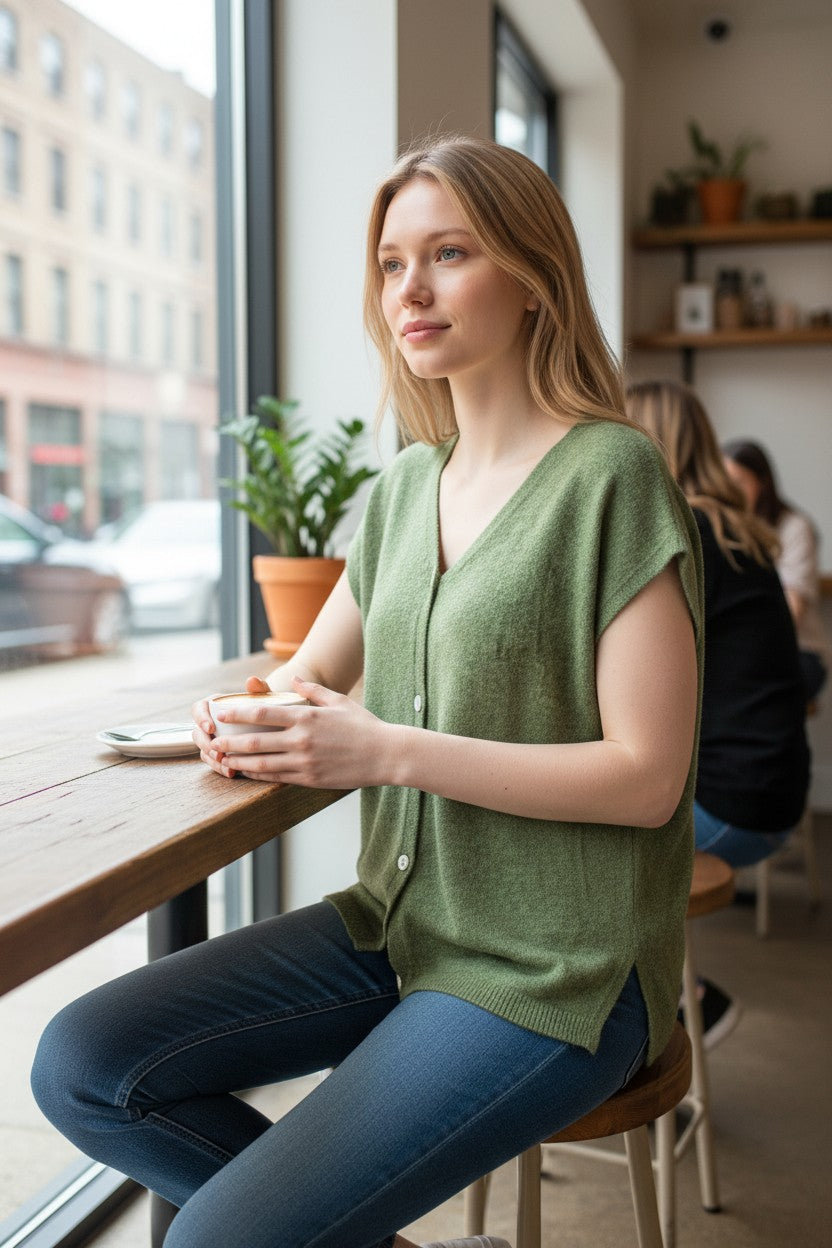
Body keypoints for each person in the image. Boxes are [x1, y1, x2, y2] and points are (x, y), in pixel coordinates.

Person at [32, 137, 704, 1248]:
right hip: (405, 929)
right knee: (86, 1066)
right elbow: (310, 671)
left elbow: (645, 779)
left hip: (560, 969)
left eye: (449, 253)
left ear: (533, 276)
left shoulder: (609, 476)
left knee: (209, 1240)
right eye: (392, 263)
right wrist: (249, 710)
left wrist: (384, 750)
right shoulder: (404, 489)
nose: (411, 290)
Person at [626, 381, 811, 1047]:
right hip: (775, 789)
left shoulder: (685, 532)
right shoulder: (736, 528)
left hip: (735, 799)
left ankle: (680, 1008)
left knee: (580, 854)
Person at [723, 438, 829, 702]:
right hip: (743, 652)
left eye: (739, 482)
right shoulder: (723, 528)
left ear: (762, 482)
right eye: (725, 483)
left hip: (799, 652)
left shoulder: (795, 528)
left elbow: (793, 612)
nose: (730, 492)